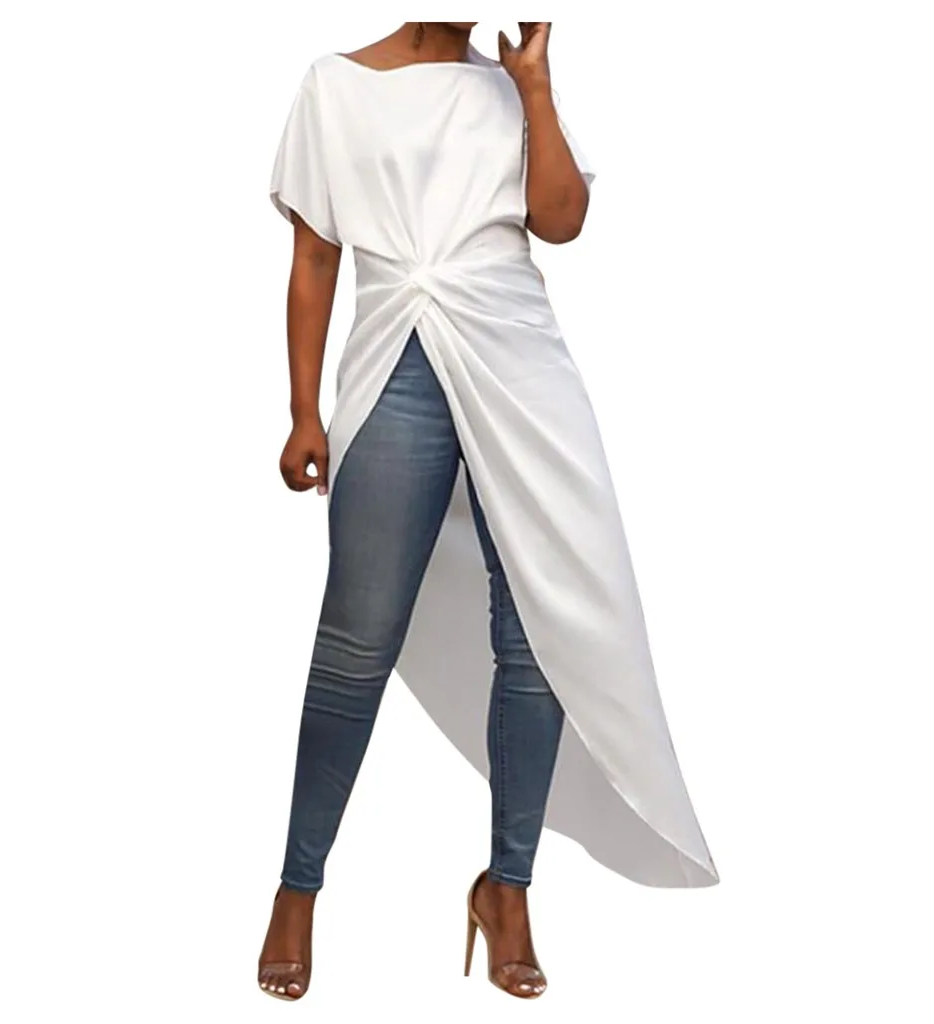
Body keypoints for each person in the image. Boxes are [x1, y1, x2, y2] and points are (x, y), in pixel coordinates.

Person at [258, 21, 719, 1001]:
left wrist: (536, 85)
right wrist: (303, 409)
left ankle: (507, 890)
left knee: (538, 635)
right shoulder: (334, 86)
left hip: (520, 365)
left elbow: (562, 221)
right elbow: (314, 258)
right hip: (397, 362)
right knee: (355, 640)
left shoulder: (509, 86)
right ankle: (297, 887)